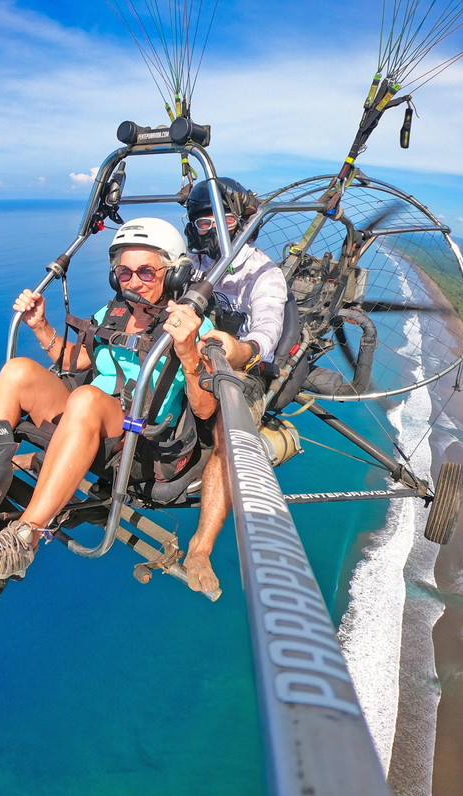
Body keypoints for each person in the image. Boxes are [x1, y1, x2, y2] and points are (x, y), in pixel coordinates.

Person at [0, 218, 217, 583]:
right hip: (88, 419)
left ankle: (25, 537)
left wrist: (189, 352)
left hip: (139, 440)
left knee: (85, 397)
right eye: (124, 273)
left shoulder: (195, 328)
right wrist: (40, 325)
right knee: (19, 370)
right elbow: (75, 361)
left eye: (146, 271)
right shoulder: (113, 313)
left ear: (174, 275)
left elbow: (205, 410)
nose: (134, 281)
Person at [181, 178, 288, 594]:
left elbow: (266, 334)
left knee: (231, 437)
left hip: (243, 369)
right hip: (193, 354)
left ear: (243, 224)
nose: (216, 232)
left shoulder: (264, 274)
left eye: (225, 222)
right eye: (206, 223)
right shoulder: (192, 263)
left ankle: (200, 548)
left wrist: (238, 349)